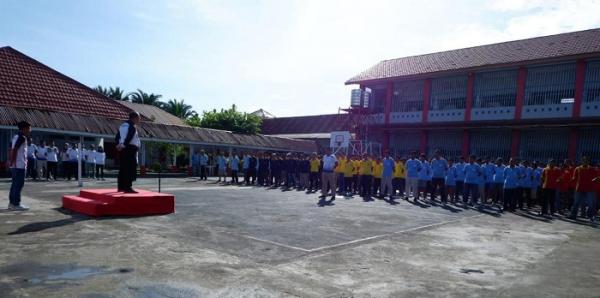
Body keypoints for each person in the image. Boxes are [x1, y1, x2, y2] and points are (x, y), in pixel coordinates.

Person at [8, 121, 31, 210]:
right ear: (24, 129)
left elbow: (10, 149)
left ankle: (11, 203)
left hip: (15, 165)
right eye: (29, 128)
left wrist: (10, 161)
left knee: (14, 184)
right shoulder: (22, 137)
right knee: (18, 184)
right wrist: (12, 161)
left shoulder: (15, 137)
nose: (30, 130)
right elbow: (14, 150)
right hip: (19, 165)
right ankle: (16, 204)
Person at [116, 111, 141, 193]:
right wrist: (123, 145)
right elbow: (129, 137)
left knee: (123, 168)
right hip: (129, 149)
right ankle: (128, 187)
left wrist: (118, 145)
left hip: (123, 149)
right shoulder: (132, 126)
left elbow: (117, 137)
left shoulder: (122, 125)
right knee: (130, 168)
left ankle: (121, 187)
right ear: (134, 118)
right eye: (138, 118)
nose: (139, 120)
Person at [569, 156, 598, 223]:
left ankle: (591, 217)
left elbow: (596, 177)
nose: (585, 161)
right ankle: (573, 215)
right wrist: (571, 181)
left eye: (587, 160)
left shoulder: (592, 169)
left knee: (590, 204)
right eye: (584, 160)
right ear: (582, 161)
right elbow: (574, 177)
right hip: (579, 188)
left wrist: (595, 179)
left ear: (589, 161)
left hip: (589, 189)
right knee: (576, 202)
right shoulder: (577, 168)